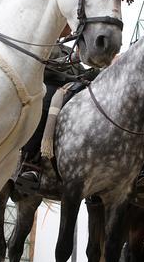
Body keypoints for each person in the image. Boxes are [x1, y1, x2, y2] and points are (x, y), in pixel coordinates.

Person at [16, 40, 99, 189]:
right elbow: (44, 66)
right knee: (45, 108)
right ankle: (30, 165)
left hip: (70, 91)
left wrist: (107, 67)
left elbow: (82, 73)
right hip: (48, 87)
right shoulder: (46, 43)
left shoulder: (68, 50)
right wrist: (73, 58)